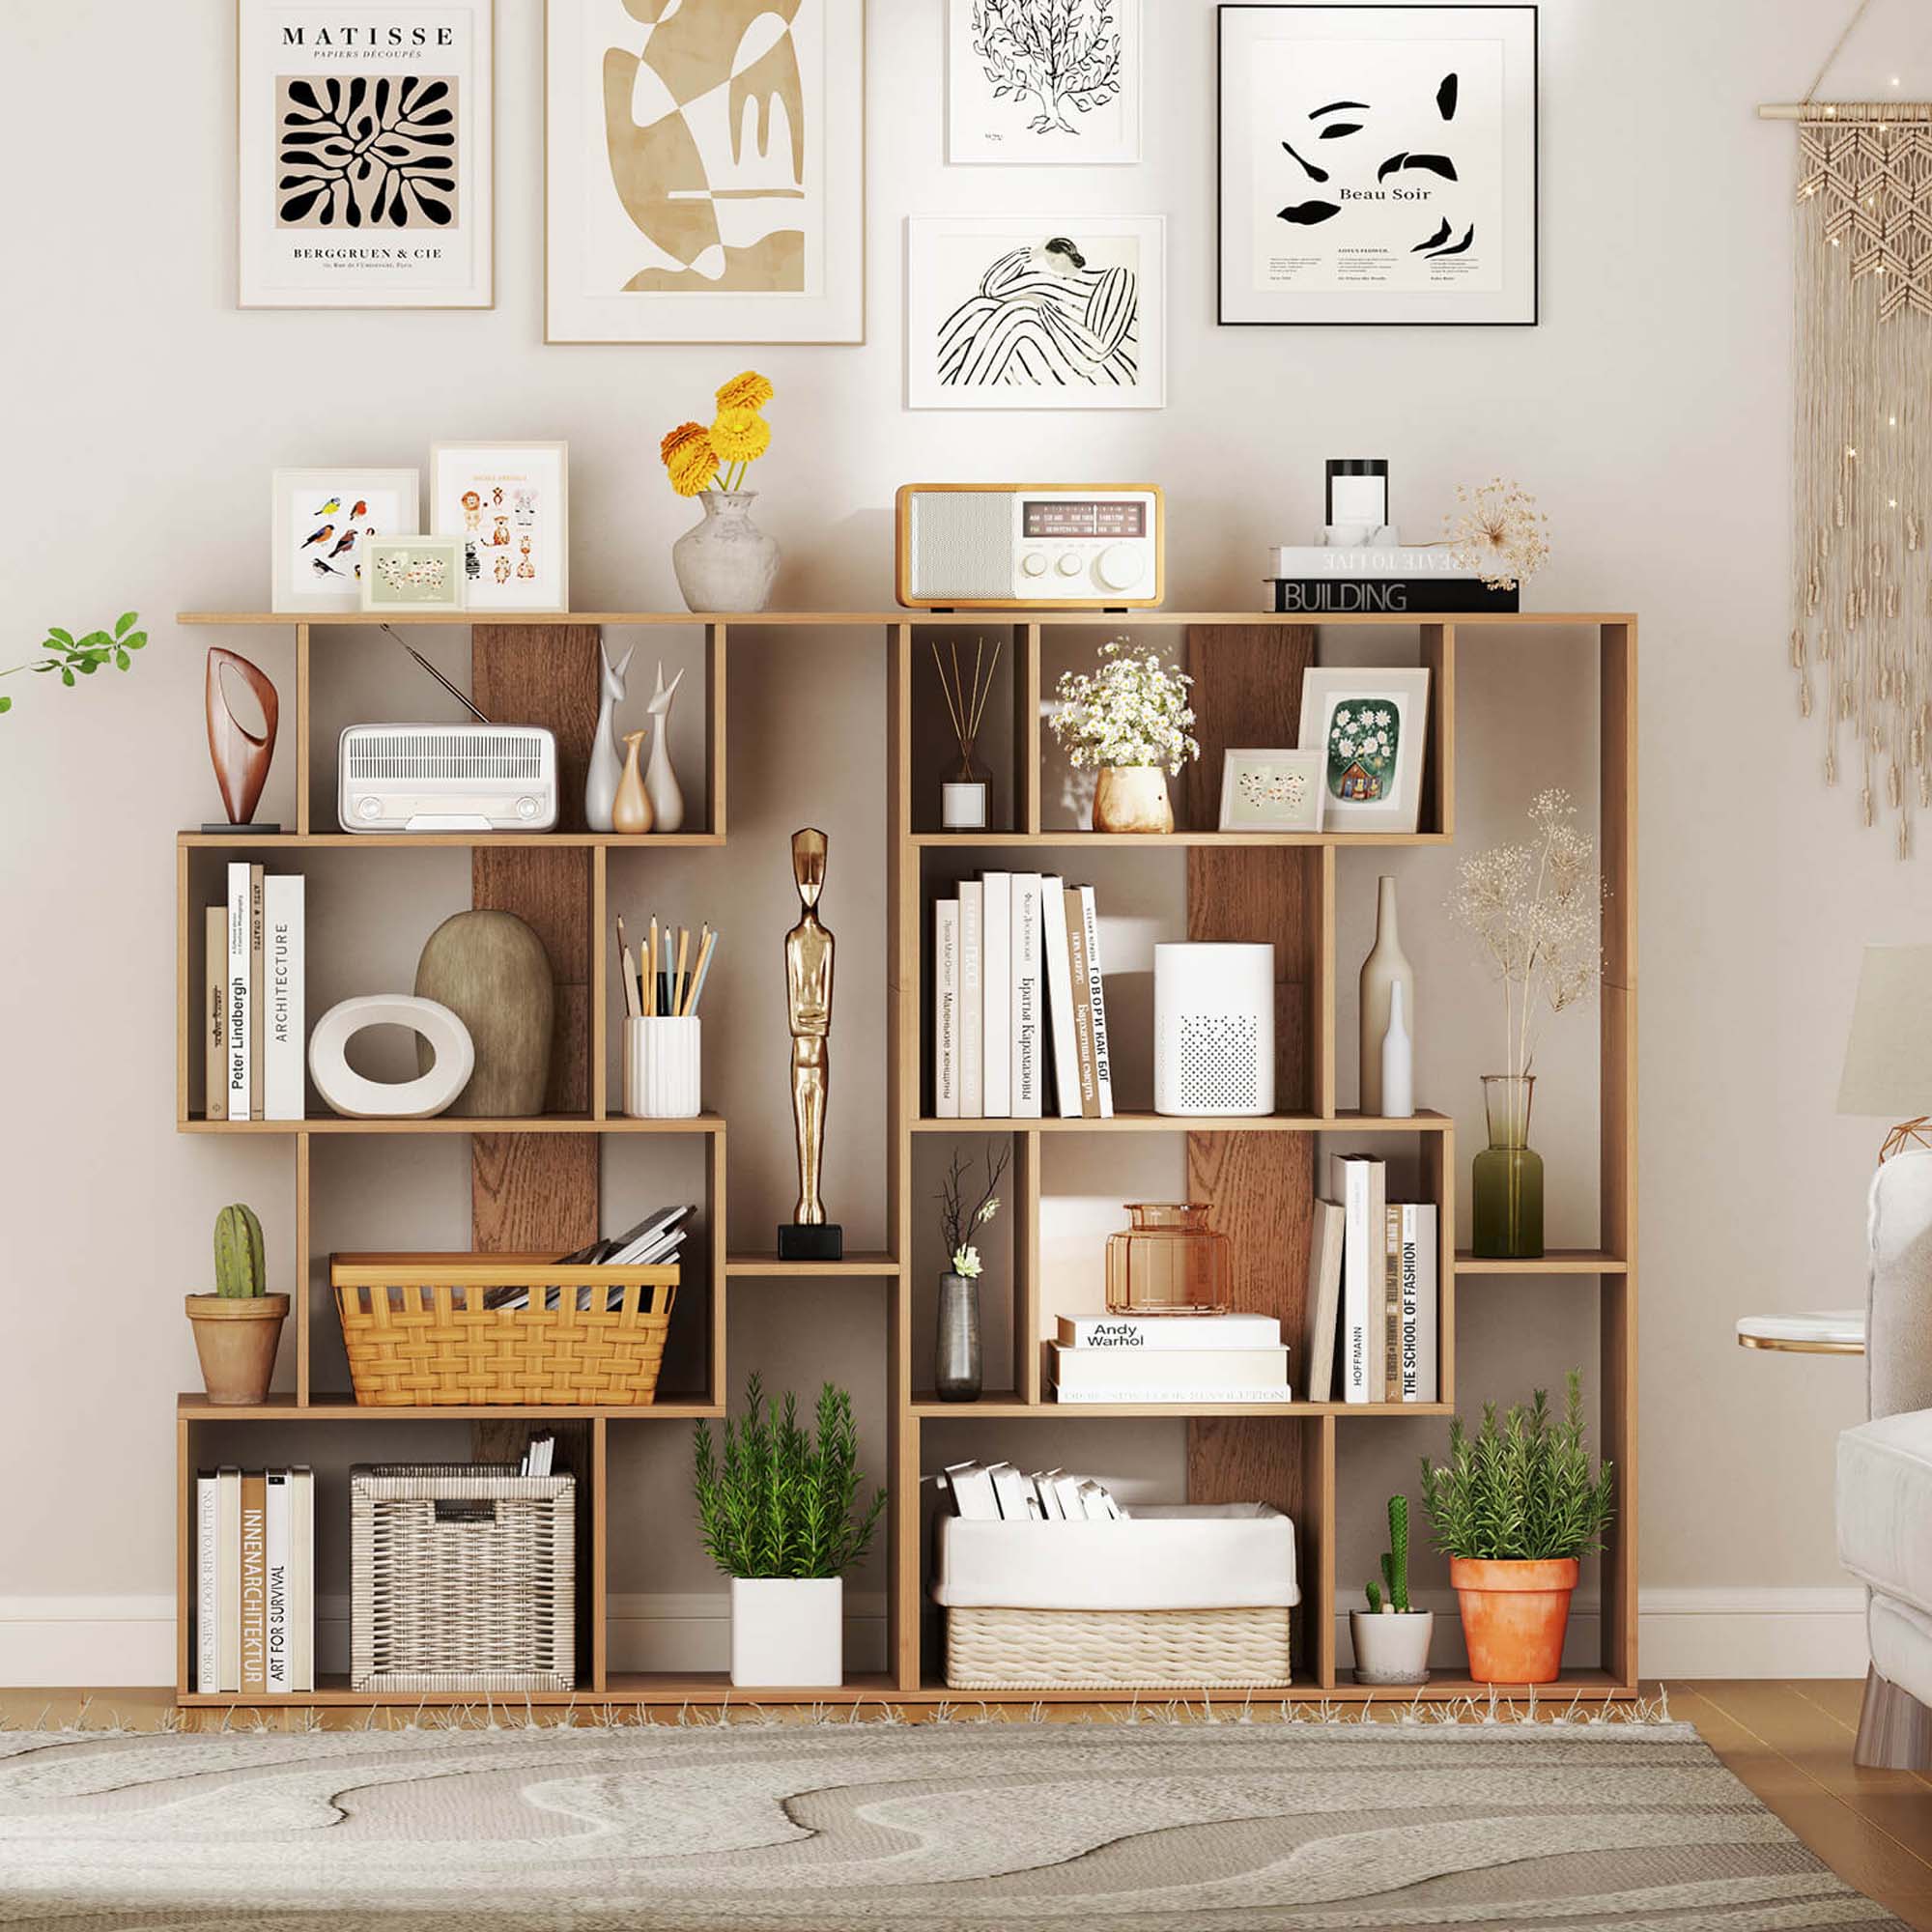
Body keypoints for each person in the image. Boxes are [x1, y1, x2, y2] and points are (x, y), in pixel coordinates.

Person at [937, 237, 1138, 389]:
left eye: (1055, 258)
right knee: (980, 308)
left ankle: (966, 393)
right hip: (1044, 357)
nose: (1051, 263)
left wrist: (1042, 310)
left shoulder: (1114, 278)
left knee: (1020, 314)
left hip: (1096, 372)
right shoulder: (1047, 282)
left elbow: (1095, 352)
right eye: (1048, 259)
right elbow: (990, 290)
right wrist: (1034, 253)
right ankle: (936, 381)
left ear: (1069, 253)